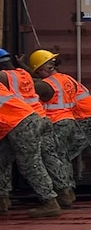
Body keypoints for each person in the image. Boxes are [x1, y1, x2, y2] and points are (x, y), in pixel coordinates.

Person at [28, 49, 91, 197]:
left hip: (85, 120)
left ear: (43, 70)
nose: (37, 75)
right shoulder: (66, 78)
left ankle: (67, 189)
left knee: (61, 154)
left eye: (38, 72)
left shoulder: (50, 84)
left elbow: (35, 86)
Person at [0, 49, 65, 217]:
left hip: (22, 123)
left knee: (29, 163)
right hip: (22, 121)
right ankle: (2, 200)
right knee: (2, 160)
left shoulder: (4, 77)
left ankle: (49, 201)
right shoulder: (20, 74)